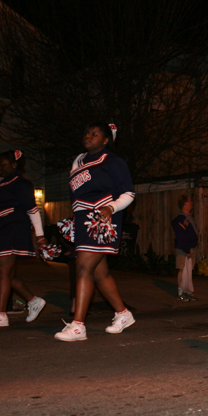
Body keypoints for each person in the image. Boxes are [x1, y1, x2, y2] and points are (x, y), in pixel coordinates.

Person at [54, 122, 137, 341]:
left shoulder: (113, 161)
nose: (88, 136)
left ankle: (78, 326)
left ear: (106, 140)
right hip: (82, 220)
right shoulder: (78, 161)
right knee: (100, 273)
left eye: (95, 133)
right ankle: (123, 314)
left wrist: (111, 207)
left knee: (83, 268)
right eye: (86, 132)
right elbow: (77, 196)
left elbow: (129, 193)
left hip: (101, 220)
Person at [0, 151, 48, 328]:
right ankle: (33, 301)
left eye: (3, 165)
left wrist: (40, 236)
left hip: (12, 230)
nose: (0, 168)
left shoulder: (21, 183)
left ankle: (1, 314)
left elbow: (33, 210)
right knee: (8, 275)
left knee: (2, 272)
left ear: (14, 165)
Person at [172, 194, 199, 302]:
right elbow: (181, 236)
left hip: (191, 248)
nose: (191, 203)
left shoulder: (189, 218)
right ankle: (180, 293)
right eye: (190, 201)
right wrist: (187, 250)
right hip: (184, 249)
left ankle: (188, 291)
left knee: (189, 271)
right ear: (185, 204)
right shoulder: (181, 220)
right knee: (182, 269)